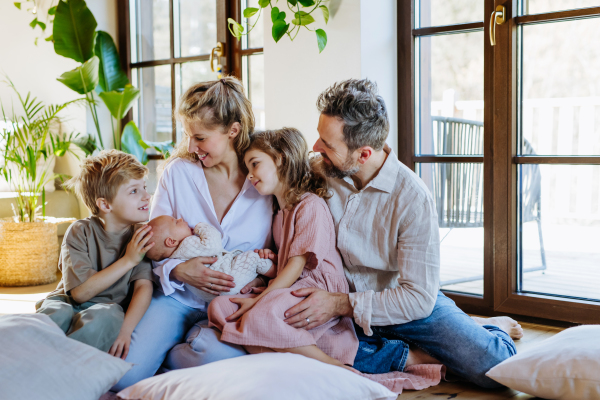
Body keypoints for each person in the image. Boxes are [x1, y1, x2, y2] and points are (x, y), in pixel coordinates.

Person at [275, 79, 524, 388]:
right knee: (288, 350)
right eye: (318, 137)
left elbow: (418, 298)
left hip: (404, 305)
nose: (315, 148)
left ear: (363, 154)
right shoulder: (320, 170)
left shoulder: (413, 198)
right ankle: (422, 351)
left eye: (326, 144)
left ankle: (487, 329)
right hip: (338, 308)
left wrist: (339, 303)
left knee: (499, 371)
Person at [113, 77, 273, 391]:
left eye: (199, 137)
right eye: (188, 136)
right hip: (177, 297)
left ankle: (172, 356)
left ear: (233, 130)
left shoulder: (264, 181)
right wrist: (179, 269)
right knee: (125, 377)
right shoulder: (178, 173)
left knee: (213, 356)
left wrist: (262, 281)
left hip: (234, 302)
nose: (190, 147)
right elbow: (153, 240)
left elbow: (276, 250)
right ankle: (167, 356)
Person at [208, 128, 359, 371]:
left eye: (255, 164)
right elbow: (287, 266)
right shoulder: (279, 215)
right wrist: (270, 268)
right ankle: (288, 365)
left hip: (315, 287)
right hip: (289, 285)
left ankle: (334, 368)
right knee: (219, 307)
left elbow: (298, 266)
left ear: (280, 159)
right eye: (247, 169)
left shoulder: (310, 205)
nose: (249, 175)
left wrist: (260, 300)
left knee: (258, 316)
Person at [36, 150, 154, 360]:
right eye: (134, 191)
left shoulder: (141, 236)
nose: (147, 195)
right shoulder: (79, 231)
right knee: (55, 314)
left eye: (144, 187)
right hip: (67, 301)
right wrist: (128, 260)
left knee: (106, 317)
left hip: (107, 309)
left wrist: (126, 331)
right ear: (105, 205)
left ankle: (62, 368)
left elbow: (144, 288)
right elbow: (80, 294)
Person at [145, 215, 275, 301]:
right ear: (171, 242)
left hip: (217, 296)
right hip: (228, 278)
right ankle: (279, 274)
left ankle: (267, 279)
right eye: (176, 222)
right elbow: (213, 244)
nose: (181, 219)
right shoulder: (188, 244)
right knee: (253, 257)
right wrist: (201, 227)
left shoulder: (177, 257)